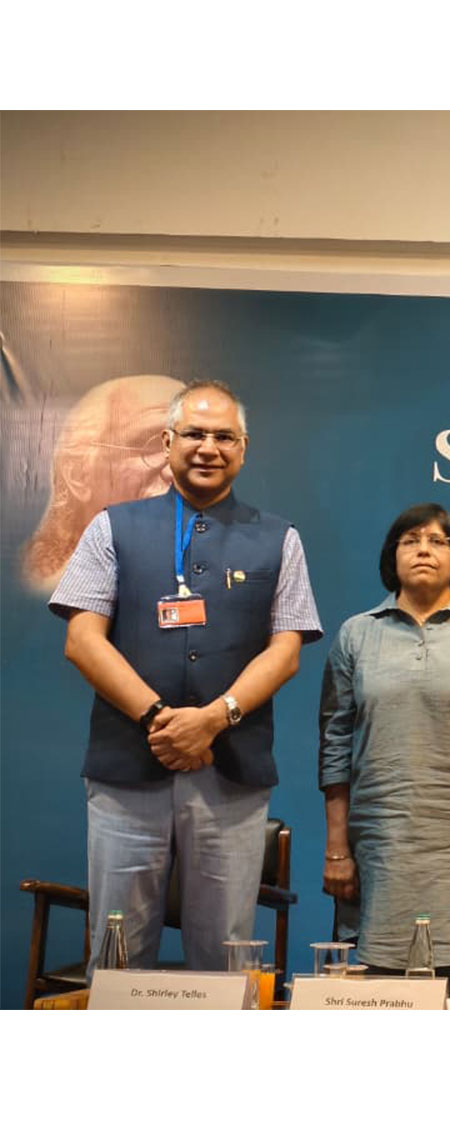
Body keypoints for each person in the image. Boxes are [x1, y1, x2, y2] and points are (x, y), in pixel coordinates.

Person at [50, 379, 321, 972]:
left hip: (230, 773)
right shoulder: (111, 527)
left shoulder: (280, 538)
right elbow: (82, 640)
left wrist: (212, 720)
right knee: (117, 953)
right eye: (194, 434)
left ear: (243, 449)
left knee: (226, 956)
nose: (208, 447)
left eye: (224, 436)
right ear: (168, 442)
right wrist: (160, 718)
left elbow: (286, 650)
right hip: (128, 771)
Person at [318, 503, 450, 998]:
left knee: (444, 986)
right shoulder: (357, 633)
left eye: (438, 541)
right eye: (411, 540)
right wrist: (336, 848)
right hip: (379, 839)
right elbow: (333, 744)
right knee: (377, 990)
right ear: (391, 556)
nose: (423, 550)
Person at [24, 374, 183, 593]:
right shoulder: (53, 591)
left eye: (187, 445)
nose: (180, 469)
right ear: (79, 474)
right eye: (151, 444)